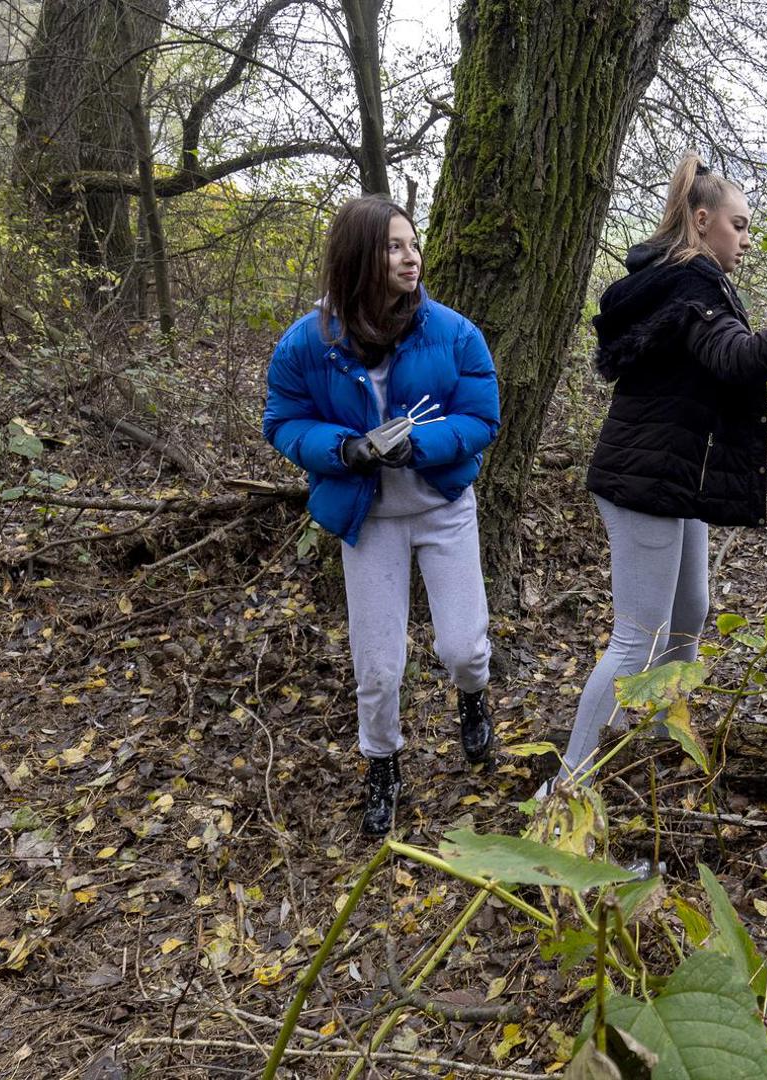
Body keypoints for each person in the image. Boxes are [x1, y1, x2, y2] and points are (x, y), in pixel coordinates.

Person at [548, 154, 767, 790]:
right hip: (644, 482)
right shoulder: (690, 286)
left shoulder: (686, 281)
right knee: (637, 638)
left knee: (691, 611)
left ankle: (654, 731)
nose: (747, 238)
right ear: (702, 222)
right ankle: (567, 785)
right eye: (739, 225)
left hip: (672, 478)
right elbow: (740, 359)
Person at [262, 195, 501, 835]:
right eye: (394, 246)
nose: (410, 257)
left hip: (443, 506)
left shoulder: (453, 332)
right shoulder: (307, 343)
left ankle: (473, 698)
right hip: (368, 518)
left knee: (461, 647)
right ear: (359, 258)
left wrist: (418, 443)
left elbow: (482, 417)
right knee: (377, 664)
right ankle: (382, 766)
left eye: (412, 243)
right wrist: (344, 449)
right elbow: (283, 421)